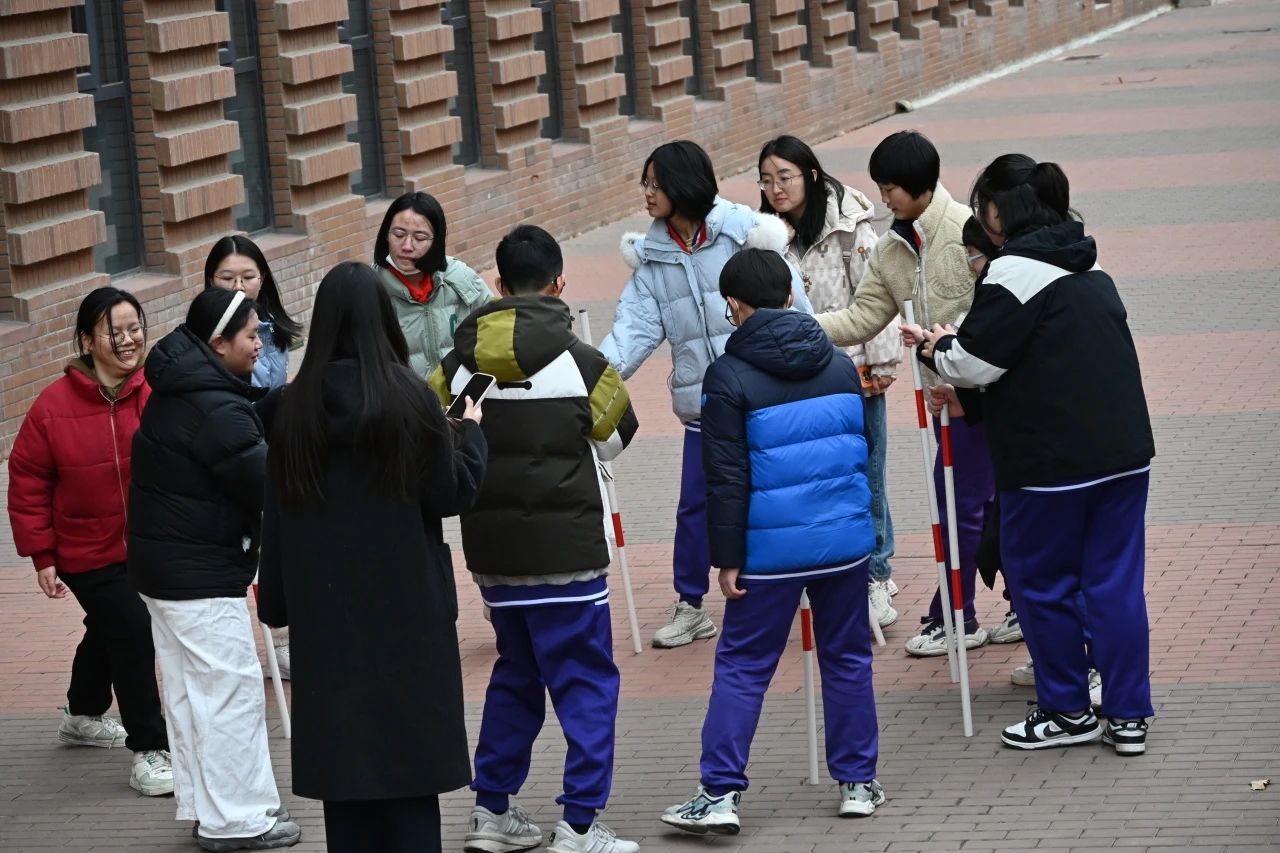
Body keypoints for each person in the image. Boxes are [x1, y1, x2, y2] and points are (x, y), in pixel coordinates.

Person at [907, 153, 1154, 754]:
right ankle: (1127, 716)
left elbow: (974, 362)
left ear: (997, 211)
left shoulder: (1013, 271)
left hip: (1050, 464)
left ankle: (1068, 711)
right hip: (1124, 452)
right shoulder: (1088, 263)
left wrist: (937, 348)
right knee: (1115, 585)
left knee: (1042, 584)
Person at [256, 262, 486, 853]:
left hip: (326, 617)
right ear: (383, 319)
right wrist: (470, 434)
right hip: (407, 612)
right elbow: (448, 495)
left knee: (347, 785)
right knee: (410, 781)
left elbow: (276, 513)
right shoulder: (409, 398)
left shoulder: (291, 408)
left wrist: (276, 601)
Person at [431, 226, 640, 853]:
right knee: (587, 686)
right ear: (559, 284)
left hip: (494, 558)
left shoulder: (457, 365)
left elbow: (436, 435)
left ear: (498, 284)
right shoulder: (585, 363)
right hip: (569, 557)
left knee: (515, 678)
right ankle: (579, 825)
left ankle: (491, 811)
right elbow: (615, 440)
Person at [662, 249, 882, 836]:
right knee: (848, 658)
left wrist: (726, 559)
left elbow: (724, 477)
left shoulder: (727, 376)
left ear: (735, 305)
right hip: (845, 542)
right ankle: (858, 783)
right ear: (789, 295)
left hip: (769, 551)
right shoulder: (840, 365)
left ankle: (719, 793)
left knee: (743, 665)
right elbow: (861, 455)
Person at [599, 139, 812, 649]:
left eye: (656, 183)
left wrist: (811, 370)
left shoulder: (744, 233)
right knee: (695, 505)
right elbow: (631, 332)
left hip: (767, 399)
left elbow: (796, 309)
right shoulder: (653, 258)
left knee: (781, 496)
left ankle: (805, 585)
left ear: (683, 184)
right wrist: (585, 380)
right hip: (707, 407)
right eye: (646, 183)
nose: (647, 193)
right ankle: (690, 605)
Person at [812, 130, 1004, 657]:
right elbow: (862, 317)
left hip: (988, 396)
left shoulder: (967, 231)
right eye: (880, 188)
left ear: (921, 184)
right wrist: (801, 326)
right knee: (973, 507)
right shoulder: (892, 248)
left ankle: (959, 614)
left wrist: (954, 346)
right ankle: (990, 609)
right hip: (948, 403)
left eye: (891, 188)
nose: (884, 199)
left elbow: (996, 315)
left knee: (971, 507)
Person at [128, 288, 300, 851]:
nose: (260, 345)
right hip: (198, 574)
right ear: (219, 342)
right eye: (251, 335)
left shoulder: (188, 385)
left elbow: (237, 437)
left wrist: (279, 405)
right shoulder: (215, 407)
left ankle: (210, 810)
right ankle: (241, 820)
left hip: (165, 571)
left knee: (190, 694)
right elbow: (266, 482)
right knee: (229, 693)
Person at [7, 287, 173, 797]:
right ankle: (150, 749)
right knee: (131, 630)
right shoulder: (53, 406)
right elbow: (28, 480)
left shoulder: (158, 392)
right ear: (86, 340)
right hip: (85, 550)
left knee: (108, 627)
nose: (128, 340)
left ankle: (81, 714)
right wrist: (42, 554)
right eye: (113, 332)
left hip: (147, 543)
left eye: (134, 327)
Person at [758, 134, 903, 629]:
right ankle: (833, 571)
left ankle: (877, 574)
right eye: (766, 180)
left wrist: (881, 365)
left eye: (785, 177)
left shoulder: (850, 226)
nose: (775, 188)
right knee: (822, 475)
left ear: (812, 175)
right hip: (798, 378)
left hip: (854, 372)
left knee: (867, 473)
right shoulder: (766, 235)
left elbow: (876, 295)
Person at [204, 234, 302, 677]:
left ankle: (280, 640)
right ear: (210, 281)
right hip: (229, 451)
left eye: (248, 276)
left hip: (270, 449)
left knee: (276, 549)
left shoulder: (274, 331)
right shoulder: (204, 336)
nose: (239, 286)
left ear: (263, 278)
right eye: (227, 278)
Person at [373, 191, 492, 379]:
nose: (407, 246)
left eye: (419, 238)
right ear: (385, 235)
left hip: (460, 394)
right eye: (398, 234)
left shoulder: (460, 277)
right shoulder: (369, 289)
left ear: (436, 241)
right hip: (403, 396)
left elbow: (494, 328)